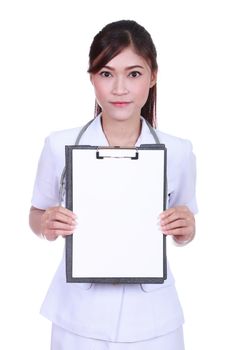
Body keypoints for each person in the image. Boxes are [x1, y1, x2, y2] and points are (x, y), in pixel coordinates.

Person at [29, 19, 197, 350]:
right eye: (106, 73)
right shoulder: (58, 146)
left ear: (153, 77)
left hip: (154, 321)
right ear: (92, 78)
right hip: (78, 317)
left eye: (133, 74)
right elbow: (36, 214)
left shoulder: (178, 151)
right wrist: (46, 224)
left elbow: (186, 225)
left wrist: (185, 228)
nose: (119, 88)